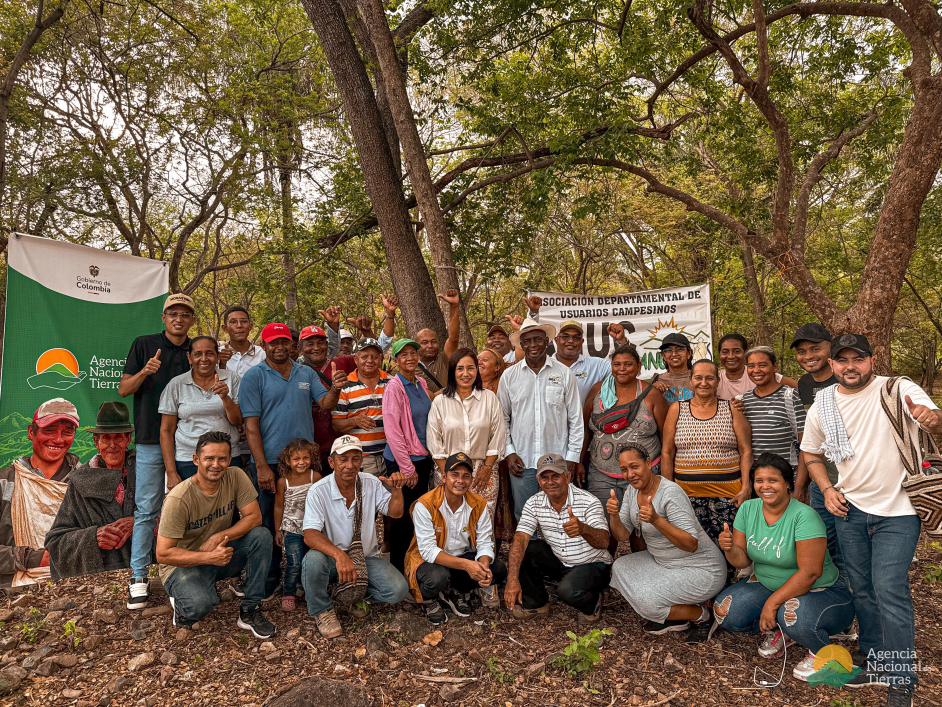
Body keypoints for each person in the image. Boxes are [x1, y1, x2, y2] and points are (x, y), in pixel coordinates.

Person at [802, 334, 941, 702]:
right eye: (843, 360)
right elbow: (811, 454)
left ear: (872, 360)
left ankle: (901, 679)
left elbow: (934, 420)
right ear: (832, 364)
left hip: (899, 511)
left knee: (889, 590)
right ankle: (877, 659)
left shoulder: (897, 389)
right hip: (850, 511)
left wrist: (932, 419)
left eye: (858, 359)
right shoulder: (823, 405)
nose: (851, 367)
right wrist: (827, 489)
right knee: (862, 590)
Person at [714, 453, 854, 683]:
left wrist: (771, 604)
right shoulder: (748, 509)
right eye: (759, 480)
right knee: (725, 612)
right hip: (767, 584)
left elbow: (810, 573)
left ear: (787, 483)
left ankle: (822, 652)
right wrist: (729, 548)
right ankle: (786, 631)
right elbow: (742, 561)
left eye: (773, 480)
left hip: (820, 590)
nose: (765, 486)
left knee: (793, 617)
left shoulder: (804, 516)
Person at [240, 322, 346, 597]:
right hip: (270, 462)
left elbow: (325, 404)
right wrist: (262, 466)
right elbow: (250, 426)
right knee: (268, 520)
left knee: (310, 518)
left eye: (284, 342)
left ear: (292, 345)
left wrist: (335, 388)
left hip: (304, 461)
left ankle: (306, 576)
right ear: (264, 346)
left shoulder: (305, 372)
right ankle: (269, 576)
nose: (279, 347)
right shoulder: (254, 377)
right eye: (273, 342)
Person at [156, 431, 276, 639]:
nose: (216, 464)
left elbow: (254, 517)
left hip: (218, 553)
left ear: (229, 460)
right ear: (196, 460)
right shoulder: (179, 498)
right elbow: (163, 554)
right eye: (209, 458)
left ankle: (250, 609)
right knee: (200, 605)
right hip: (182, 565)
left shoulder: (235, 476)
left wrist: (219, 537)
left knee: (261, 536)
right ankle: (181, 603)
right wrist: (207, 557)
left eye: (222, 459)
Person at [119, 292, 195, 610]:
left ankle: (187, 573)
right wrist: (145, 372)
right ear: (163, 318)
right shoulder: (144, 344)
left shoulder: (197, 349)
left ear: (192, 320)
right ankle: (139, 576)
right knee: (147, 509)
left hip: (189, 442)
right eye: (173, 313)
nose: (179, 319)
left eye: (185, 314)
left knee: (190, 510)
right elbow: (124, 389)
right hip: (151, 438)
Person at [606, 444, 725, 640]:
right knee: (620, 566)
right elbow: (622, 535)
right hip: (664, 562)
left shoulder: (670, 493)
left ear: (648, 463)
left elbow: (691, 544)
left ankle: (702, 615)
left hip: (702, 569)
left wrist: (656, 520)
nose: (630, 474)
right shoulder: (631, 492)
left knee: (647, 603)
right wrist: (614, 516)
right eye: (624, 469)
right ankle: (677, 616)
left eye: (634, 466)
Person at [301, 435, 410, 639]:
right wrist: (340, 556)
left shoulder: (370, 483)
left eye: (355, 459)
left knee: (398, 590)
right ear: (331, 462)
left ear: (361, 461)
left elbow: (395, 512)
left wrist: (396, 490)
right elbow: (310, 535)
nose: (350, 466)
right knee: (312, 561)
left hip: (365, 558)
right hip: (332, 559)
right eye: (343, 459)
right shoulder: (318, 491)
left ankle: (353, 595)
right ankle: (322, 610)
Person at [503, 453, 611, 623]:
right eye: (545, 477)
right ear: (538, 481)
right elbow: (521, 538)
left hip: (591, 564)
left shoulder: (588, 501)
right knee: (526, 548)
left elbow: (604, 542)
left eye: (556, 476)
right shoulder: (534, 502)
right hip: (561, 561)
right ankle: (536, 603)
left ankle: (593, 603)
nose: (550, 482)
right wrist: (512, 580)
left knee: (567, 591)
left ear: (567, 477)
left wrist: (583, 529)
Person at [405, 452, 508, 624]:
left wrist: (482, 568)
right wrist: (467, 565)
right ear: (444, 477)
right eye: (455, 475)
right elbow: (428, 551)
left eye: (466, 476)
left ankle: (455, 591)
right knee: (437, 577)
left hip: (461, 558)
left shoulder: (479, 504)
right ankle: (428, 599)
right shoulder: (425, 505)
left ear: (471, 480)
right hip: (430, 562)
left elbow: (485, 542)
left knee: (497, 569)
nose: (460, 481)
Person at [661, 359, 752, 549]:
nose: (704, 383)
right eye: (698, 378)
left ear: (718, 380)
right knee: (695, 549)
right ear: (691, 379)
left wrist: (745, 488)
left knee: (729, 547)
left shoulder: (732, 408)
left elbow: (745, 450)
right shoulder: (677, 409)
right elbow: (667, 452)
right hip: (687, 496)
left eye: (709, 378)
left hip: (729, 496)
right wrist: (668, 492)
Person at [583, 343, 667, 547]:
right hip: (601, 474)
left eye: (628, 364)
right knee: (604, 525)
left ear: (638, 367)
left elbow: (665, 437)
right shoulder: (598, 390)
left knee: (642, 529)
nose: (622, 369)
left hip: (643, 475)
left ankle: (640, 565)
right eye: (617, 364)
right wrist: (579, 461)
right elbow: (584, 428)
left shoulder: (651, 394)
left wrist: (665, 474)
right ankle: (607, 566)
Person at [498, 318, 583, 519]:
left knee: (560, 515)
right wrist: (509, 452)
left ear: (547, 341)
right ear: (521, 345)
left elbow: (575, 418)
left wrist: (572, 457)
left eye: (537, 339)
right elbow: (502, 419)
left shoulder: (564, 373)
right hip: (522, 460)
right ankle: (530, 542)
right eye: (527, 341)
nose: (533, 345)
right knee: (525, 516)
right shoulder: (509, 376)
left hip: (558, 460)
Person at [47, 402, 139, 581]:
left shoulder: (147, 472)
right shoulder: (80, 482)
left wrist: (139, 523)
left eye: (119, 438)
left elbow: (173, 519)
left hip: (147, 573)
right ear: (96, 442)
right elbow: (55, 542)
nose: (112, 445)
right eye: (106, 438)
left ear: (128, 440)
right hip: (104, 580)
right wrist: (93, 537)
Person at [0, 399, 81, 587]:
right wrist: (31, 558)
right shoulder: (5, 482)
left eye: (67, 432)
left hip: (77, 589)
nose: (58, 439)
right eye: (49, 430)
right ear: (31, 432)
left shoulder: (85, 482)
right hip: (13, 592)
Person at [427, 348, 506, 521]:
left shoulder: (489, 398)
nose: (465, 373)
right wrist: (446, 473)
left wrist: (487, 467)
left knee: (482, 522)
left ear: (477, 370)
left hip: (483, 472)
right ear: (452, 371)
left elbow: (498, 435)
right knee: (450, 522)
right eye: (460, 368)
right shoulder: (440, 401)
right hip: (448, 470)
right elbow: (434, 440)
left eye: (470, 368)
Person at [159, 336, 243, 487]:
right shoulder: (176, 384)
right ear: (189, 357)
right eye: (198, 354)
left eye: (209, 353)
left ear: (217, 356)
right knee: (190, 502)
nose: (204, 359)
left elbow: (238, 421)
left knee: (228, 502)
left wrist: (225, 398)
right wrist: (171, 472)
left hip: (226, 458)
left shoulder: (231, 378)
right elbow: (166, 430)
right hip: (188, 459)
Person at [790, 324, 842, 566]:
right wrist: (801, 486)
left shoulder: (845, 376)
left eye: (815, 349)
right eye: (801, 351)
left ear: (830, 348)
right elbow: (808, 440)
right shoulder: (804, 384)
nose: (808, 356)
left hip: (854, 479)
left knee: (851, 544)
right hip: (822, 480)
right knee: (826, 542)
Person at [382, 338, 434, 573]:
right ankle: (398, 570)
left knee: (418, 514)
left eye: (413, 353)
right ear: (395, 360)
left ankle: (415, 566)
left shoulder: (421, 383)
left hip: (422, 458)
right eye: (403, 355)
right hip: (403, 461)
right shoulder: (394, 387)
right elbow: (393, 431)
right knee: (402, 517)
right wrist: (407, 468)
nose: (410, 358)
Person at [524, 298, 630, 402]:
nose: (571, 341)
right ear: (556, 340)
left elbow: (627, 368)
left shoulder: (597, 366)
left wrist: (621, 341)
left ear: (582, 341)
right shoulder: (543, 365)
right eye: (565, 336)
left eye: (576, 337)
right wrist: (533, 314)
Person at [741, 347, 808, 498]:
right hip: (758, 485)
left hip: (786, 483)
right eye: (751, 366)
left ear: (775, 367)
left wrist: (799, 487)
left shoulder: (791, 397)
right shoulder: (745, 400)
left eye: (762, 365)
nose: (756, 370)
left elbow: (806, 445)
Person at [296, 324, 357, 472]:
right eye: (310, 344)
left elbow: (371, 357)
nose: (316, 348)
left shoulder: (341, 362)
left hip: (338, 445)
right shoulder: (293, 370)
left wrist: (367, 331)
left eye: (320, 343)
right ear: (300, 348)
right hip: (304, 448)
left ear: (327, 345)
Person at [273, 438, 322, 612]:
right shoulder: (283, 482)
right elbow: (279, 506)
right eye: (296, 459)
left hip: (312, 528)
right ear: (288, 461)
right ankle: (288, 593)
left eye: (305, 458)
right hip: (291, 529)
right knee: (294, 562)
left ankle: (307, 588)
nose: (301, 462)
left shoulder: (315, 477)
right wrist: (278, 530)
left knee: (310, 560)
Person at [331, 338, 390, 478]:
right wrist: (355, 421)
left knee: (390, 492)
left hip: (391, 457)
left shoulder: (391, 382)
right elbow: (335, 425)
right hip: (362, 460)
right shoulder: (345, 386)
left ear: (381, 359)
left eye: (375, 357)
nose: (370, 361)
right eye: (364, 357)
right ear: (356, 359)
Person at [477, 348, 516, 551]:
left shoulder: (503, 388)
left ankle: (493, 548)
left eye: (485, 360)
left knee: (499, 502)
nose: (479, 362)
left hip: (497, 455)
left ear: (497, 367)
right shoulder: (467, 387)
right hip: (474, 455)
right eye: (477, 359)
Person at [716, 333, 794, 400]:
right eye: (725, 352)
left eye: (737, 351)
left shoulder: (757, 374)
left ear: (745, 353)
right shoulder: (714, 378)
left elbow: (797, 387)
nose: (731, 356)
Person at [414, 289, 462, 394]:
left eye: (434, 341)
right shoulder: (411, 367)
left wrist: (454, 307)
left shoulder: (444, 359)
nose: (430, 345)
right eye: (424, 342)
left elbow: (453, 339)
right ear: (416, 346)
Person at [218, 305, 266, 377]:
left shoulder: (263, 354)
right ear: (225, 328)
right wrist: (222, 364)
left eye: (243, 321)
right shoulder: (218, 355)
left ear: (250, 326)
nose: (239, 325)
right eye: (233, 322)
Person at [651, 333, 694, 403]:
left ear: (689, 353)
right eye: (668, 350)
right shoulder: (657, 380)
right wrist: (653, 390)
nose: (674, 354)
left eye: (679, 349)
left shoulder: (699, 378)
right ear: (663, 355)